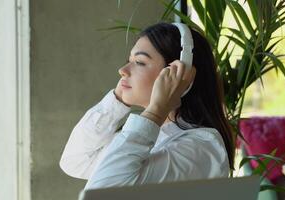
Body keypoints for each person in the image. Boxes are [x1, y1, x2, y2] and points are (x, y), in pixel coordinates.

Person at [59, 22, 235, 190]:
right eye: (129, 60)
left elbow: (102, 193)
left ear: (180, 74)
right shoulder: (152, 134)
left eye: (140, 62)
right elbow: (74, 160)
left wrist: (156, 111)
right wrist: (117, 101)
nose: (123, 69)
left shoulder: (200, 148)